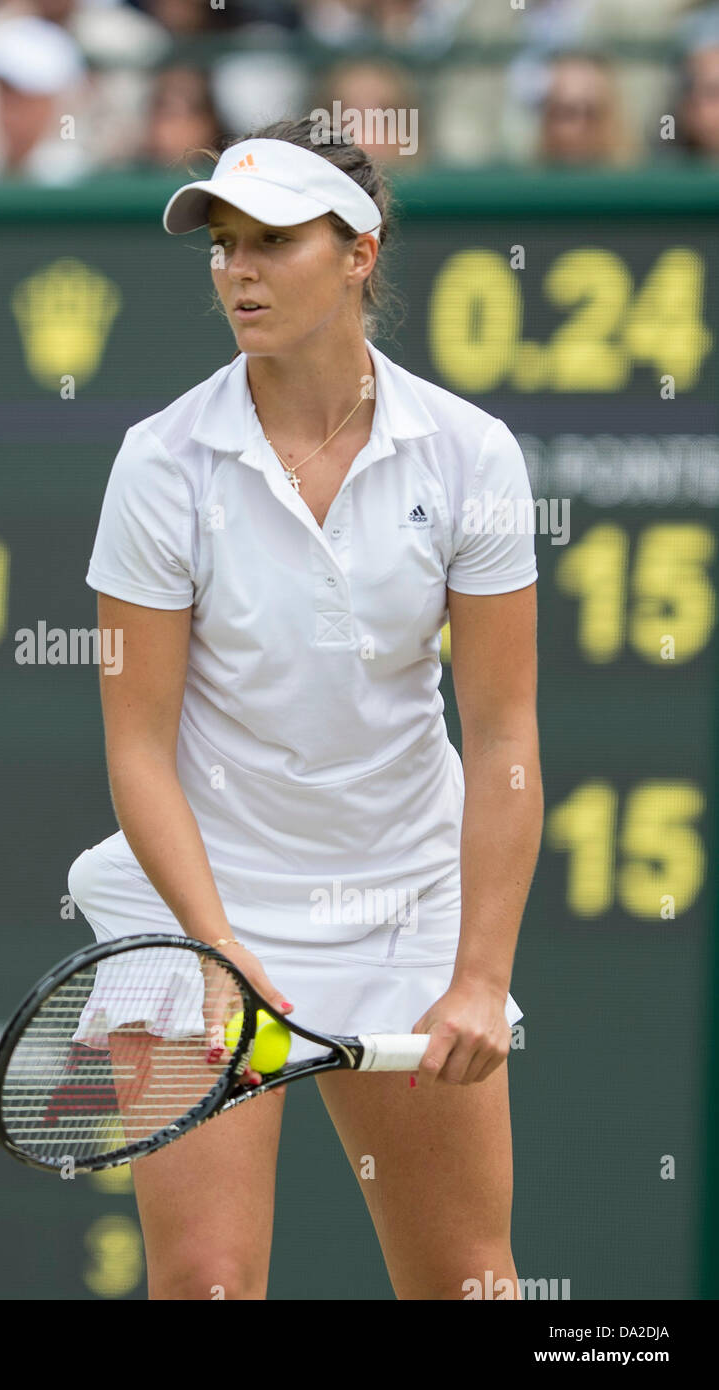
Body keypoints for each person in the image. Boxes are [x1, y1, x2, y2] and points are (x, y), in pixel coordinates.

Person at [66, 117, 542, 1300]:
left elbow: (502, 736)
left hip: (405, 903)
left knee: (467, 1281)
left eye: (271, 241)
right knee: (209, 1284)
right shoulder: (160, 464)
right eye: (223, 244)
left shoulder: (471, 457)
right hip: (201, 908)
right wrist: (217, 950)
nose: (235, 270)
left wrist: (479, 974)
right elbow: (137, 748)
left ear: (357, 252)